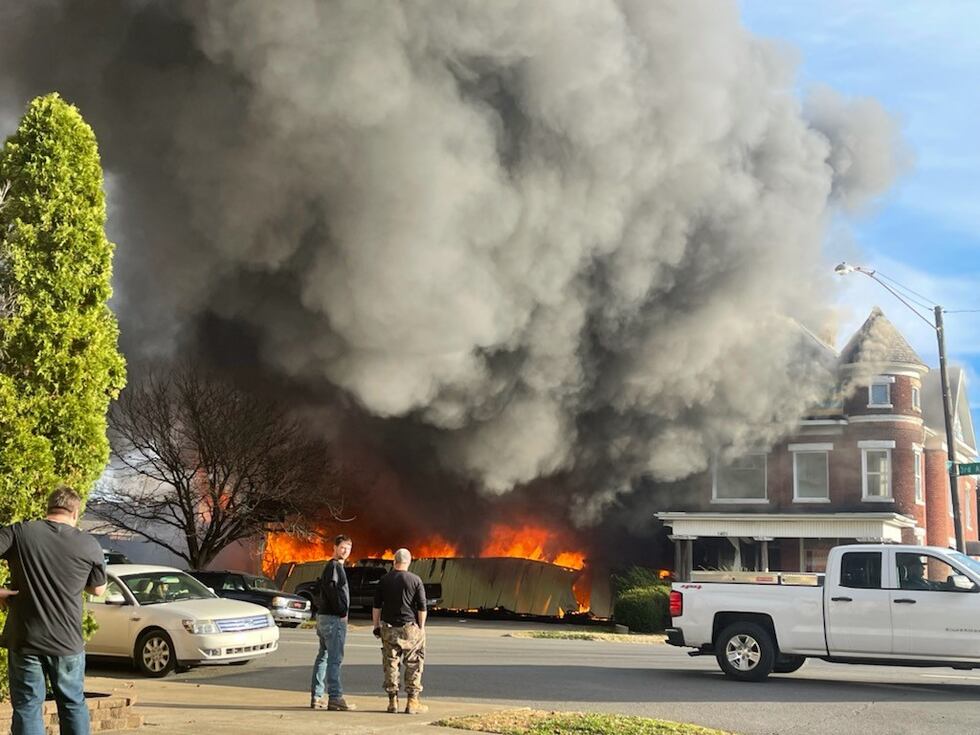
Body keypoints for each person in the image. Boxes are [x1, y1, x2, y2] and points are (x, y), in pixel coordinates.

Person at [0, 485, 107, 735]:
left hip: (26, 638)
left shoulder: (20, 532)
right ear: (75, 512)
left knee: (27, 706)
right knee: (72, 704)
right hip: (66, 642)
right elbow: (98, 590)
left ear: (48, 508)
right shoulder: (88, 544)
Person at [372, 548, 427, 714]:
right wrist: (422, 628)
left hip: (388, 628)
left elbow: (376, 606)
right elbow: (422, 607)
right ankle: (412, 702)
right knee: (413, 663)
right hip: (409, 628)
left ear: (394, 561)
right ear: (409, 562)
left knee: (390, 663)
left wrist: (376, 626)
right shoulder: (415, 580)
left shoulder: (384, 580)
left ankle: (392, 702)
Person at [310, 534, 356, 711]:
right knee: (335, 659)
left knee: (323, 657)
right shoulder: (335, 566)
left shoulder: (332, 566)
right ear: (335, 547)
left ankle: (317, 696)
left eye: (349, 548)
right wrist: (342, 611)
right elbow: (331, 589)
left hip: (324, 617)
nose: (345, 551)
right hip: (333, 619)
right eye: (343, 547)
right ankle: (335, 697)